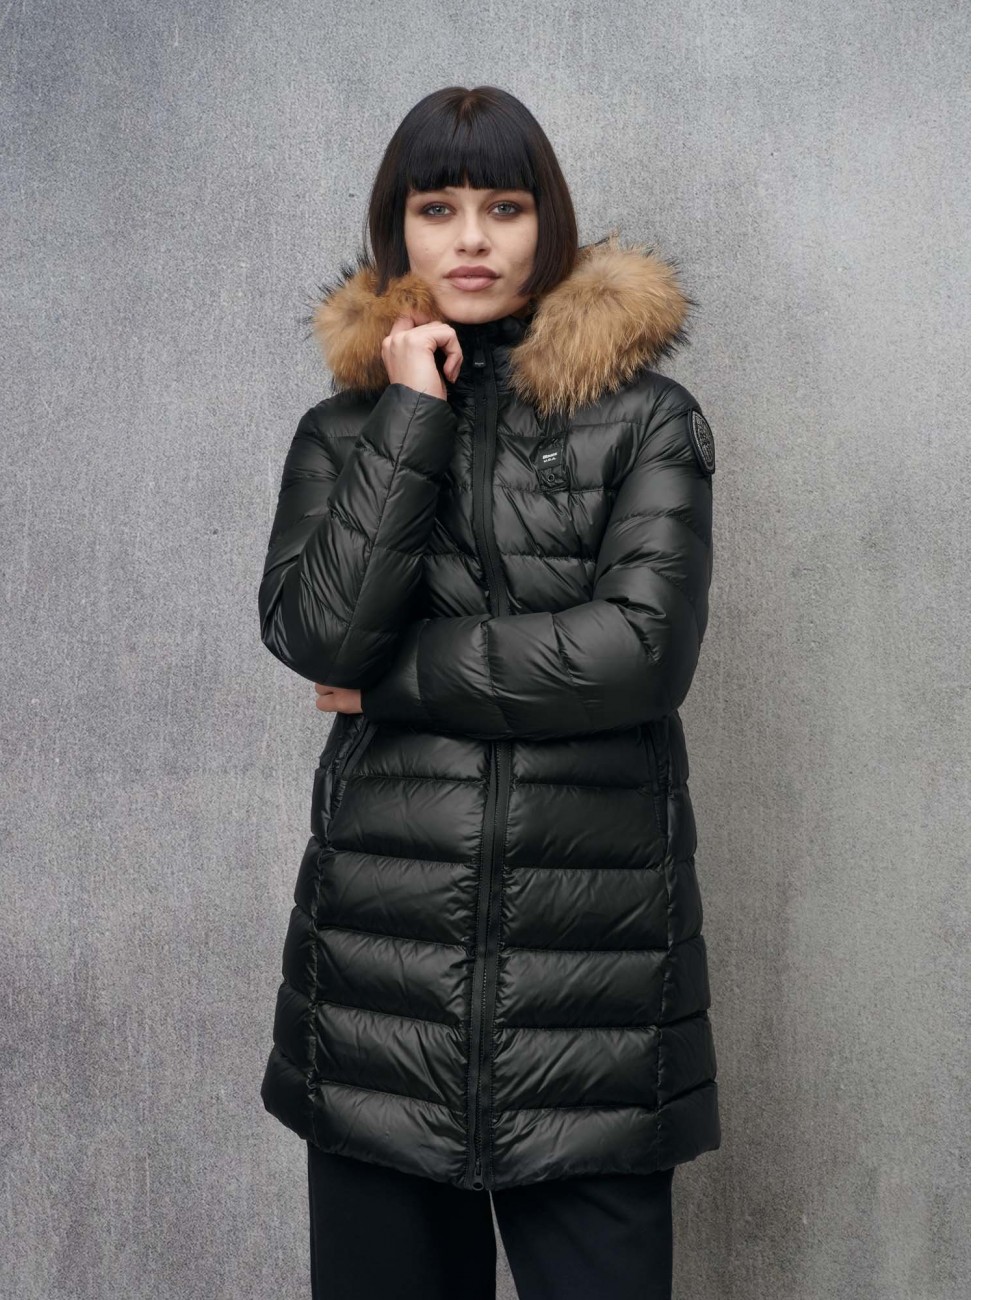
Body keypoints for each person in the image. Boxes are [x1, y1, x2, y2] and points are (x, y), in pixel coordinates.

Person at [257, 84, 720, 1300]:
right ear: (396, 229)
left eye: (504, 207)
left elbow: (638, 653)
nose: (471, 238)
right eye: (437, 208)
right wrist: (409, 412)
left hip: (594, 1005)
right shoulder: (344, 432)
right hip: (378, 999)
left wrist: (391, 683)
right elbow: (317, 630)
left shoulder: (647, 422)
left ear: (545, 222)